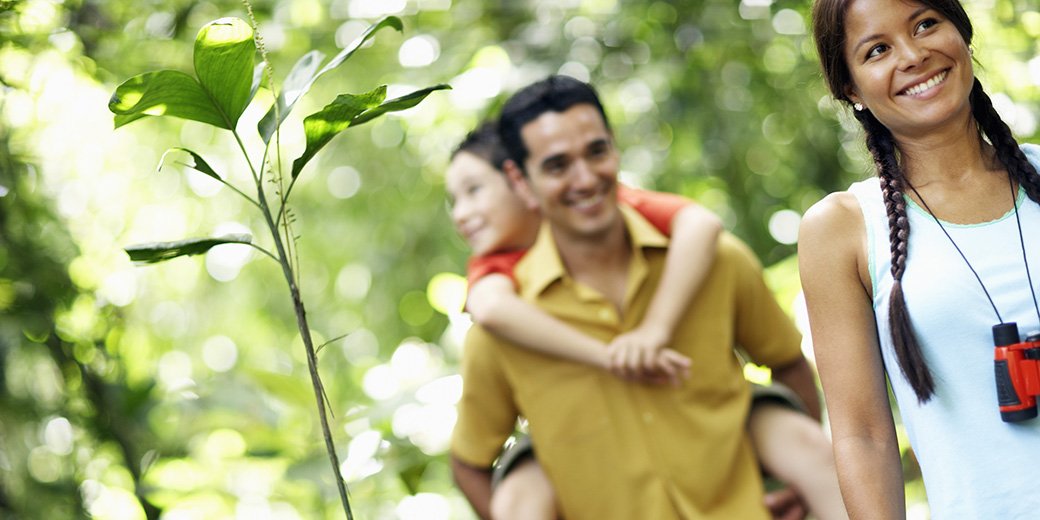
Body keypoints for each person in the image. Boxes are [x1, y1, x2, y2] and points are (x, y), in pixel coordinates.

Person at [449, 75, 823, 520]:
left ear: (614, 147)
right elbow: (469, 462)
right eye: (557, 165)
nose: (585, 178)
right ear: (520, 180)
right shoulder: (501, 326)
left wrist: (796, 484)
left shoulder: (715, 261)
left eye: (596, 151)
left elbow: (788, 364)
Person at [799, 0, 1040, 517]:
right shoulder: (841, 230)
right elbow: (864, 437)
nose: (913, 55)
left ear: (962, 32)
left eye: (926, 24)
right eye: (878, 49)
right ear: (851, 88)